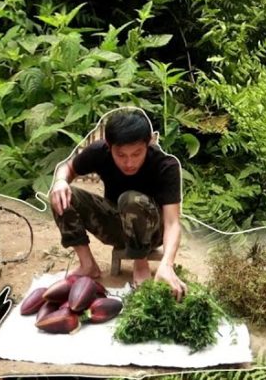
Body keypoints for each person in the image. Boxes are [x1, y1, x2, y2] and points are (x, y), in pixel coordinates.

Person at [49, 108, 186, 299]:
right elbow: (68, 168)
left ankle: (141, 263)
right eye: (121, 155)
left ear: (149, 143)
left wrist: (167, 263)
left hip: (152, 232)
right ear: (109, 145)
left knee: (130, 199)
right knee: (62, 194)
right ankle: (87, 264)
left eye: (137, 154)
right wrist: (60, 181)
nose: (129, 162)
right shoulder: (99, 152)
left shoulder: (166, 166)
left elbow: (172, 223)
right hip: (116, 226)